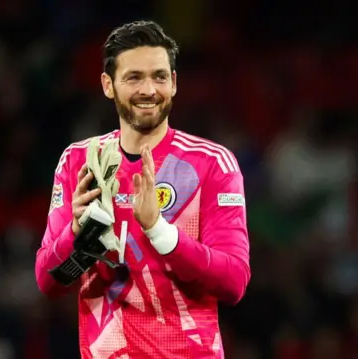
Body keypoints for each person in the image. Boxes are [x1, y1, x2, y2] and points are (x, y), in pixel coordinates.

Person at [35, 20, 251, 359]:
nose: (149, 89)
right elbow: (48, 282)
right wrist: (76, 234)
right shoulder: (80, 163)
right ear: (108, 85)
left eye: (159, 76)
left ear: (175, 83)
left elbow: (234, 282)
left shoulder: (213, 163)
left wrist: (159, 231)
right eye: (134, 77)